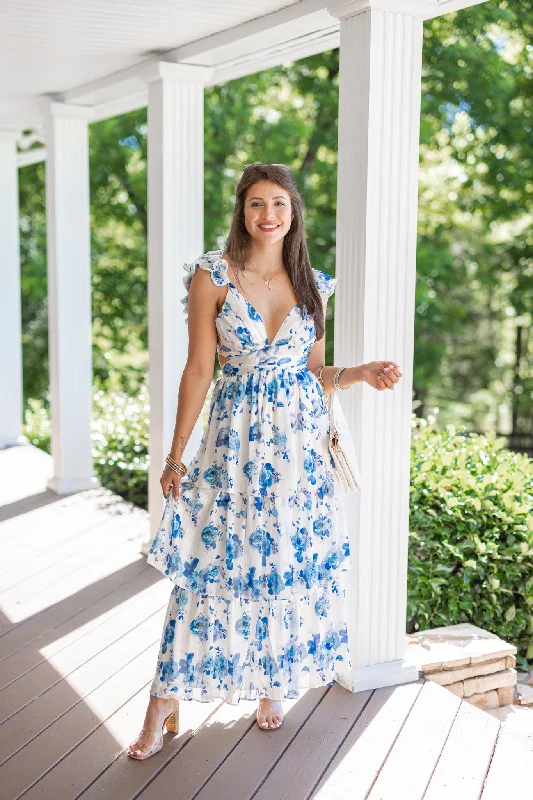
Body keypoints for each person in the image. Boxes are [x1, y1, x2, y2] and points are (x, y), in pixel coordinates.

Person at [127, 163, 402, 759]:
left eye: (279, 203)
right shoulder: (214, 275)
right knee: (213, 564)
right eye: (256, 203)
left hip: (299, 453)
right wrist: (174, 456)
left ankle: (272, 682)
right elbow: (199, 369)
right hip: (234, 446)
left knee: (282, 562)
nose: (268, 214)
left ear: (294, 212)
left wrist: (360, 373)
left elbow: (313, 373)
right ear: (242, 212)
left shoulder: (312, 285)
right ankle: (164, 697)